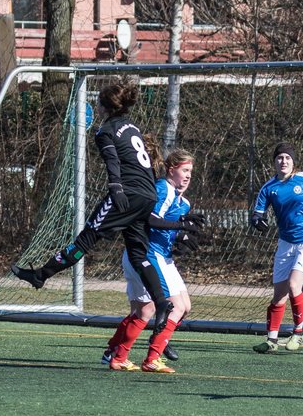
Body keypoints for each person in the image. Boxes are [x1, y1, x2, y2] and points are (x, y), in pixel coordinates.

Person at [12, 81, 203, 346]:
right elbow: (145, 165)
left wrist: (116, 188)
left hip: (126, 194)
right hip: (147, 193)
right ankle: (161, 303)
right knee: (138, 253)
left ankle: (40, 275)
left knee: (86, 239)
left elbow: (112, 162)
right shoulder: (133, 128)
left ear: (103, 106)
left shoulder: (106, 131)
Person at [103, 148, 200, 373]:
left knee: (178, 307)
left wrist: (181, 237)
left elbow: (165, 228)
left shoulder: (182, 202)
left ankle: (115, 352)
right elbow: (150, 219)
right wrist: (180, 226)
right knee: (167, 308)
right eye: (184, 170)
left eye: (190, 172)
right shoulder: (162, 189)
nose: (187, 176)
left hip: (161, 257)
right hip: (148, 255)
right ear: (171, 169)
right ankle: (151, 355)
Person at [249, 142, 303, 353]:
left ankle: (297, 334)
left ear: (293, 161)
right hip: (286, 243)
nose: (284, 161)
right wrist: (257, 221)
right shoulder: (269, 188)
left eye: (287, 158)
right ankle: (271, 340)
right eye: (280, 158)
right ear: (274, 162)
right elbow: (257, 213)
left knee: (295, 286)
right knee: (279, 294)